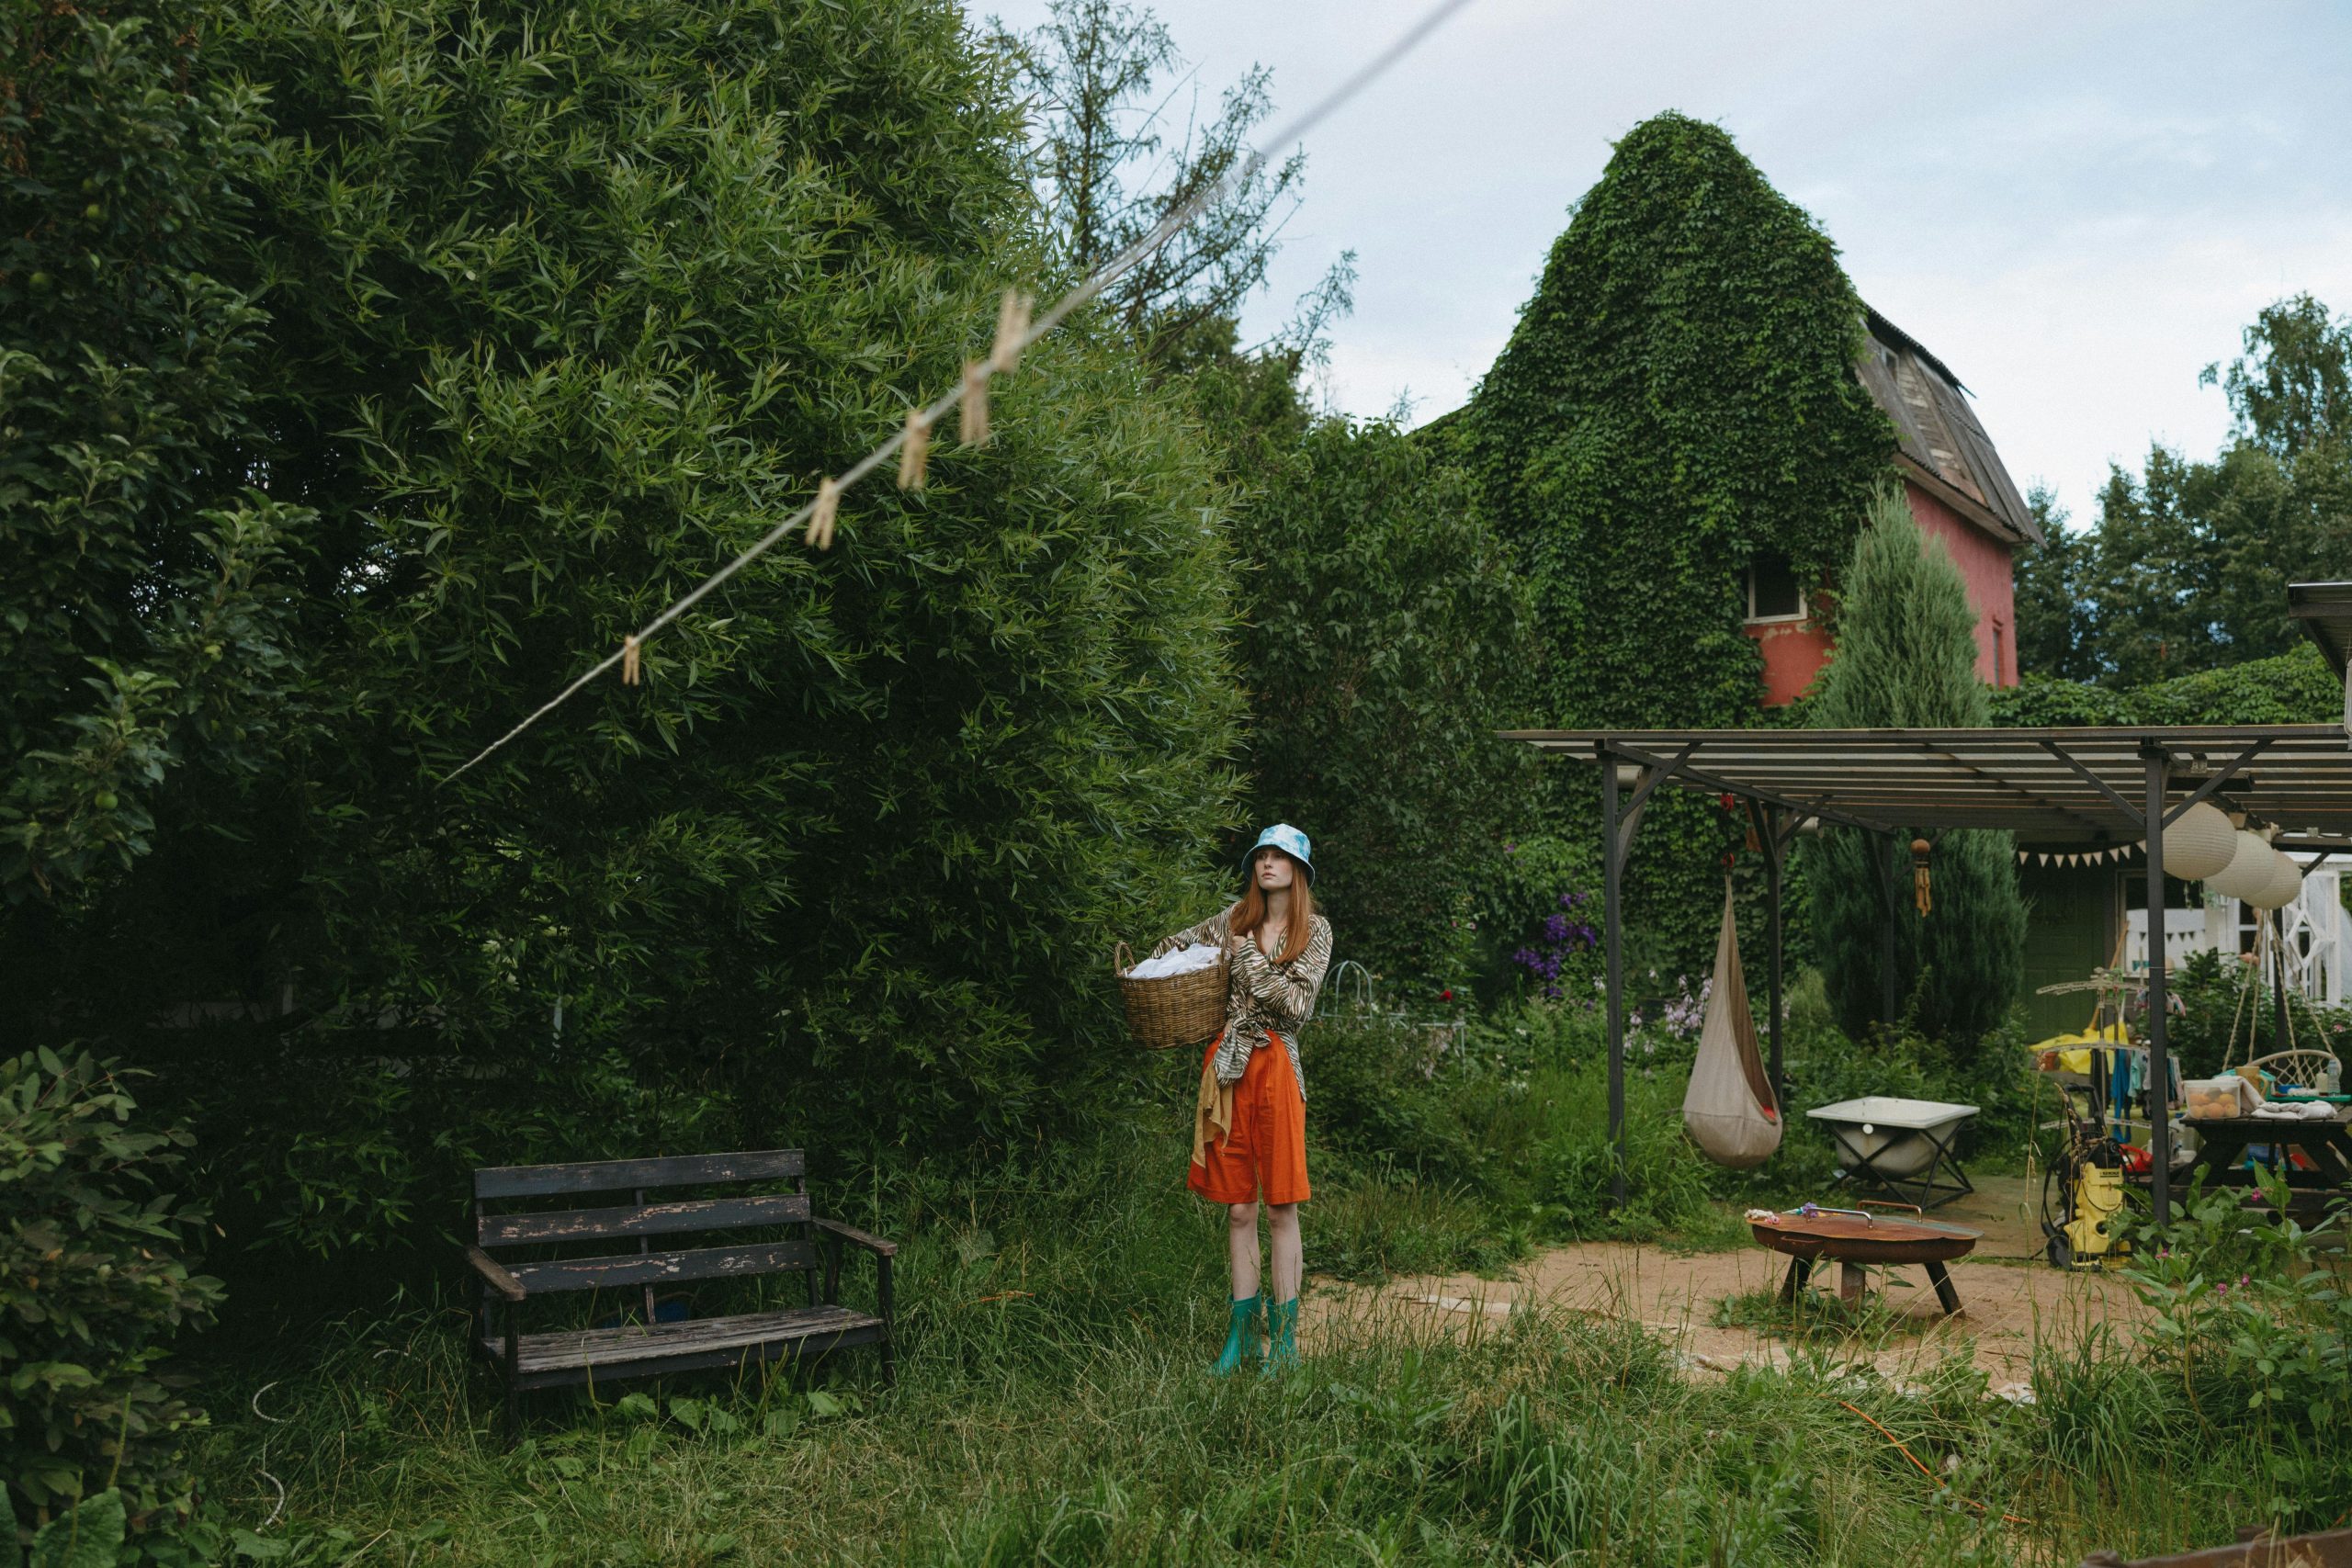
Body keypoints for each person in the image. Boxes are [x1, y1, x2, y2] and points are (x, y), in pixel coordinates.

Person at [1150, 823, 1332, 1375]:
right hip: (1228, 1069)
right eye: (1262, 855)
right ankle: (1240, 1337)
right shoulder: (1234, 918)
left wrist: (1248, 958)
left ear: (1297, 870)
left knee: (1281, 1205)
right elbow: (1171, 947)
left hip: (1277, 1064)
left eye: (1280, 857)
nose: (1268, 863)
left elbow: (1295, 1006)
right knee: (1238, 1208)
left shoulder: (1315, 930)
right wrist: (1170, 967)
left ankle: (1286, 1343)